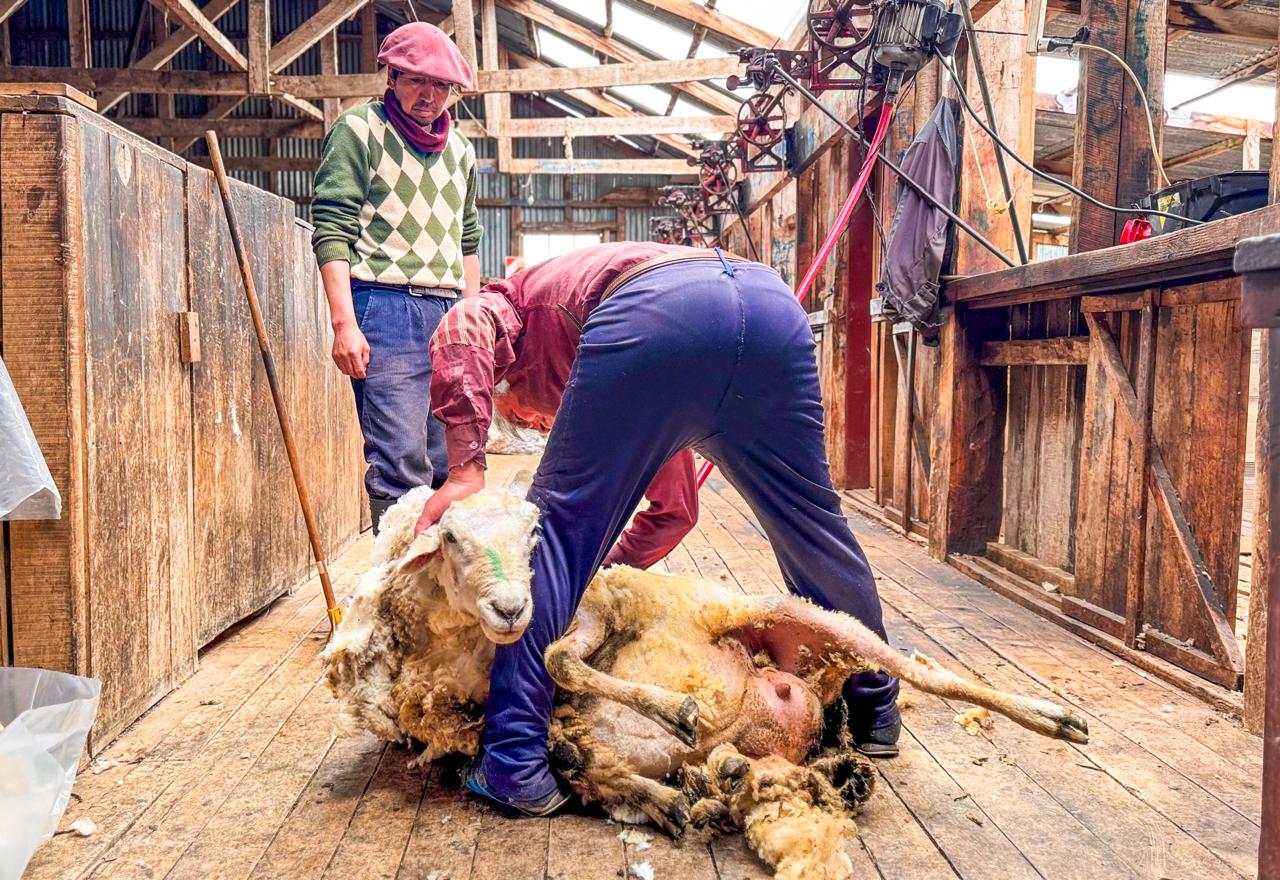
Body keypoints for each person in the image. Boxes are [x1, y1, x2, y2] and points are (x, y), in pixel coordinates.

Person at [418, 242, 902, 815]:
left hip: (656, 314)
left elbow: (461, 327)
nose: (541, 421)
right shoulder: (621, 368)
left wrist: (466, 471)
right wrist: (598, 584)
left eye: (525, 411)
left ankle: (514, 762)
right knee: (814, 527)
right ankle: (875, 712)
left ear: (510, 378)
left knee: (551, 531)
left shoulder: (514, 305)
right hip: (769, 309)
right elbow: (675, 510)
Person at [311, 21, 482, 529]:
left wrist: (472, 319)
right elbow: (332, 226)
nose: (428, 95)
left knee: (448, 459)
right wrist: (345, 323)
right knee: (400, 461)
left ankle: (437, 592)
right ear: (391, 76)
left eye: (441, 85)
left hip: (449, 308)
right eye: (415, 80)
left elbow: (468, 239)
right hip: (384, 305)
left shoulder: (462, 152)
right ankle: (394, 593)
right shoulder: (359, 129)